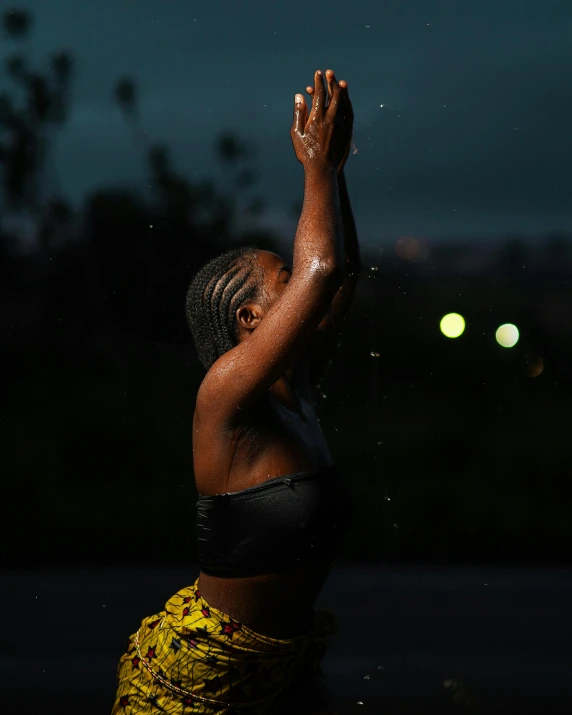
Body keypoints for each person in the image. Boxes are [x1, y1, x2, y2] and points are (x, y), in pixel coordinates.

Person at [111, 67, 360, 715]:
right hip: (199, 678)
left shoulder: (296, 383)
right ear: (250, 320)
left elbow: (337, 274)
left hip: (284, 666)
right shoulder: (225, 395)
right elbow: (322, 267)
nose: (301, 289)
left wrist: (335, 170)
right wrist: (314, 169)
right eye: (283, 280)